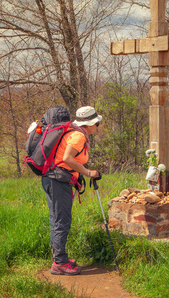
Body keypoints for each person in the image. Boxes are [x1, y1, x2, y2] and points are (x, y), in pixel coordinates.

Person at [41, 106, 101, 275]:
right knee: (62, 222)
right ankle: (59, 263)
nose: (98, 126)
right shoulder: (78, 136)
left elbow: (64, 159)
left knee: (57, 220)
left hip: (55, 178)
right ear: (90, 124)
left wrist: (77, 177)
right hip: (57, 181)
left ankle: (59, 258)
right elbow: (67, 158)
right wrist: (88, 173)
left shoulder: (72, 132)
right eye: (97, 123)